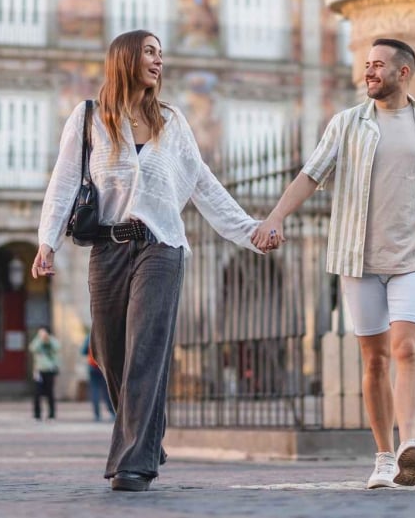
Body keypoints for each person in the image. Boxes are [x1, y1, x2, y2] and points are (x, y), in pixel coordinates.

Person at [34, 29, 277, 492]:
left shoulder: (172, 121)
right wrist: (48, 241)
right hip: (107, 246)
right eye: (149, 52)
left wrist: (250, 232)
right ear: (125, 58)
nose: (158, 60)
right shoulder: (88, 118)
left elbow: (203, 185)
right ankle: (147, 436)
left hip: (161, 246)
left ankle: (133, 464)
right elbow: (64, 182)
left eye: (161, 54)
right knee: (108, 350)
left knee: (147, 348)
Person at [253, 38, 415, 490]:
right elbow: (311, 175)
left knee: (407, 349)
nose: (368, 73)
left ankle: (411, 445)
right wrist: (276, 215)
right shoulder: (347, 124)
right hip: (359, 259)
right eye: (366, 65)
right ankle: (384, 456)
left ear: (403, 72)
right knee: (373, 360)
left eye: (377, 65)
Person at [28, 325, 61, 421]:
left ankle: (51, 414)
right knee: (37, 393)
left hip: (50, 370)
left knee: (50, 393)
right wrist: (40, 339)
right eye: (40, 333)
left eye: (44, 333)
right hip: (39, 370)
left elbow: (58, 348)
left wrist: (48, 339)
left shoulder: (53, 341)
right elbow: (32, 348)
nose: (42, 335)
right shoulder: (37, 341)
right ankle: (37, 414)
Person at [82, 329, 113, 421]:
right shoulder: (105, 335)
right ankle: (112, 412)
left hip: (92, 367)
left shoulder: (89, 337)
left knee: (95, 391)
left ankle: (97, 415)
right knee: (107, 390)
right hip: (103, 366)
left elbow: (83, 351)